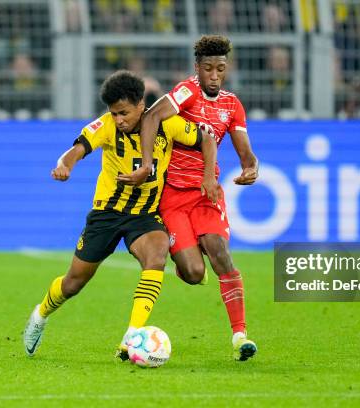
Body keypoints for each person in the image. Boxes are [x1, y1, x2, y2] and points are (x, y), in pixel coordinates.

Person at [23, 70, 216, 358]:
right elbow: (76, 149)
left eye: (123, 113)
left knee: (157, 253)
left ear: (141, 105)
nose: (118, 120)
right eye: (114, 113)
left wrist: (208, 175)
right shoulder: (107, 126)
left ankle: (131, 335)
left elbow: (206, 139)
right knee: (74, 282)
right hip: (107, 214)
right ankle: (39, 315)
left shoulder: (168, 124)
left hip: (144, 215)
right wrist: (66, 165)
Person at [118, 35, 259, 361]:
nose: (213, 74)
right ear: (197, 68)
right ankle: (187, 261)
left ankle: (240, 335)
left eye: (220, 69)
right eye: (207, 68)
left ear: (226, 69)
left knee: (219, 249)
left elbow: (247, 155)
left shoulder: (232, 105)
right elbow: (151, 116)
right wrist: (149, 162)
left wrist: (251, 169)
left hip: (206, 194)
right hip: (173, 198)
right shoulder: (187, 92)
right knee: (194, 273)